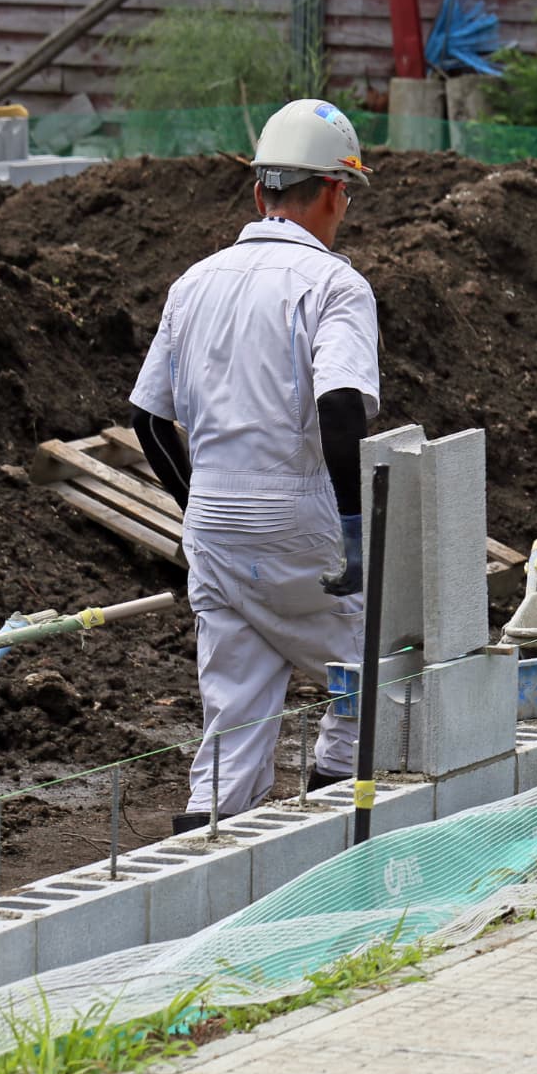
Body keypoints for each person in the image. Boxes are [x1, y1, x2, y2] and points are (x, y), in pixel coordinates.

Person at [128, 99, 380, 833]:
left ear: (258, 191)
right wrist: (355, 531)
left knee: (232, 720)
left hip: (214, 524)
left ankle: (201, 866)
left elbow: (146, 417)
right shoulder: (336, 284)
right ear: (334, 190)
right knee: (370, 666)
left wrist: (194, 506)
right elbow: (339, 409)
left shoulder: (192, 282)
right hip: (298, 516)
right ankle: (337, 820)